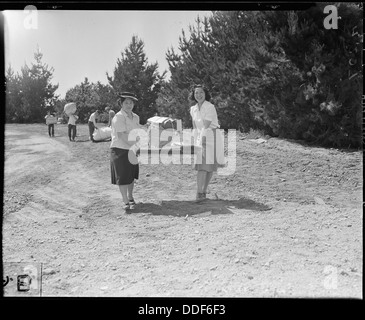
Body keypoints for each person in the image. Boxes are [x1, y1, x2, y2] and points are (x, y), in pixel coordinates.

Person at [189, 84, 224, 202]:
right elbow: (195, 127)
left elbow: (206, 125)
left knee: (208, 167)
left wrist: (201, 139)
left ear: (205, 94)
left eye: (201, 92)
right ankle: (200, 193)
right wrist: (194, 140)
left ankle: (202, 193)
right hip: (200, 137)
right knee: (202, 166)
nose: (198, 95)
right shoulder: (193, 109)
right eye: (196, 93)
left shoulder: (210, 107)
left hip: (211, 136)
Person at [110, 92, 141, 213]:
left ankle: (130, 196)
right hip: (120, 150)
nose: (129, 105)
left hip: (132, 149)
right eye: (126, 103)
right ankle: (125, 201)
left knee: (131, 175)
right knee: (123, 176)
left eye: (131, 102)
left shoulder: (136, 117)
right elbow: (122, 136)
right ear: (121, 104)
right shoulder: (118, 117)